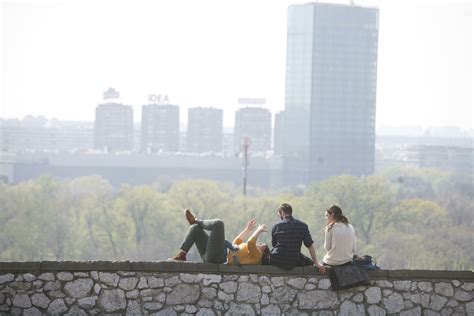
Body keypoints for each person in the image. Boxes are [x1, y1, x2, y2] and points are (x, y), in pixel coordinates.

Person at [169, 210, 269, 265]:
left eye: (262, 244)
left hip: (219, 257)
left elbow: (251, 243)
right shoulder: (249, 251)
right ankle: (182, 255)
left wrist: (258, 231)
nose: (259, 243)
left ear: (264, 251)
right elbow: (236, 241)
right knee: (195, 228)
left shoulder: (257, 257)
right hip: (210, 255)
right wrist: (248, 230)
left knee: (218, 223)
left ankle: (196, 220)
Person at [269, 203, 325, 272]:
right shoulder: (303, 226)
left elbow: (274, 245)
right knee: (308, 261)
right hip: (293, 261)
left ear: (282, 213)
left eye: (279, 215)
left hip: (277, 259)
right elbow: (309, 245)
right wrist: (316, 262)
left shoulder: (276, 226)